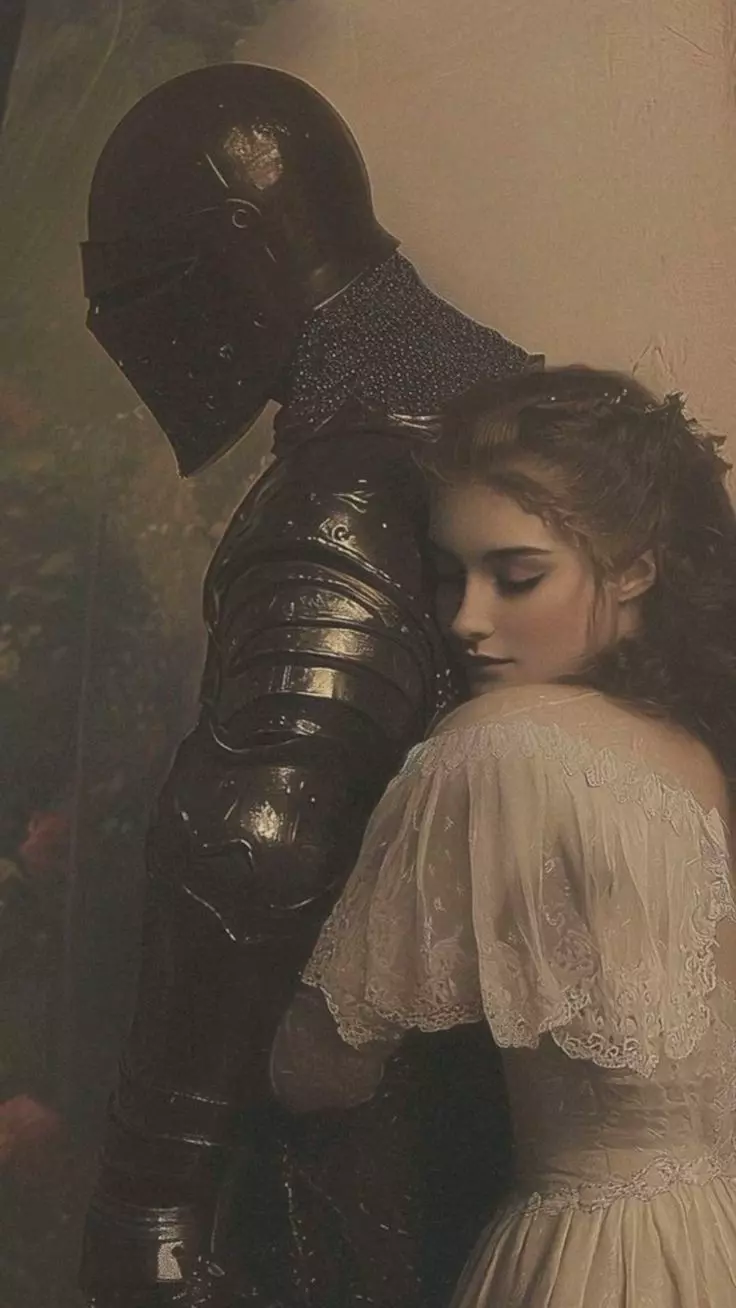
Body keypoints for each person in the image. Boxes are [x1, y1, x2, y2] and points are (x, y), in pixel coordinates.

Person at [78, 62, 539, 1307]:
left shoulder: (348, 483)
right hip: (520, 1087)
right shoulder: (515, 406)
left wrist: (148, 1198)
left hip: (378, 1129)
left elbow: (252, 840)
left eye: (153, 285)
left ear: (241, 244)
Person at [271, 365, 736, 1306]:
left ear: (636, 567)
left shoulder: (496, 742)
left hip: (604, 1257)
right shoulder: (690, 752)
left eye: (517, 578)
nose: (465, 620)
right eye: (450, 576)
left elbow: (315, 1071)